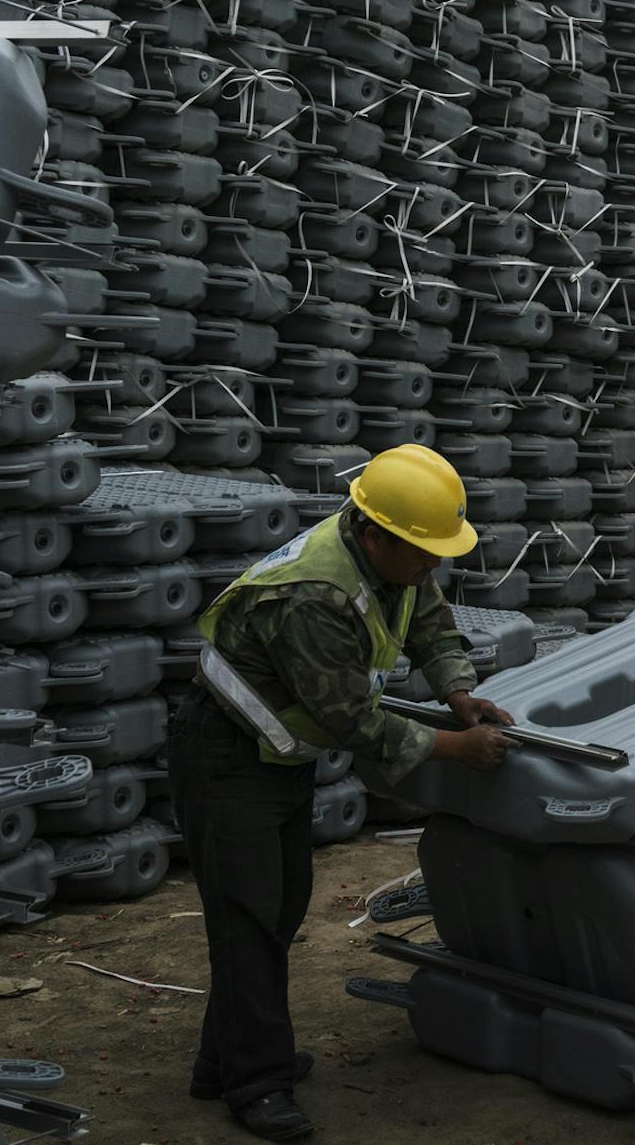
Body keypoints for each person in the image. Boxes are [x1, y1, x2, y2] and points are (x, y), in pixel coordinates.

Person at [167, 444, 515, 1140]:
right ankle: (257, 1084)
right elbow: (351, 720)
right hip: (225, 755)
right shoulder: (315, 595)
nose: (433, 564)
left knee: (279, 905)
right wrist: (456, 747)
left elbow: (428, 618)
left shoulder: (398, 562)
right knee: (248, 917)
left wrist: (459, 695)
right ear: (375, 534)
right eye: (423, 551)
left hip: (274, 757)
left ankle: (224, 1061)